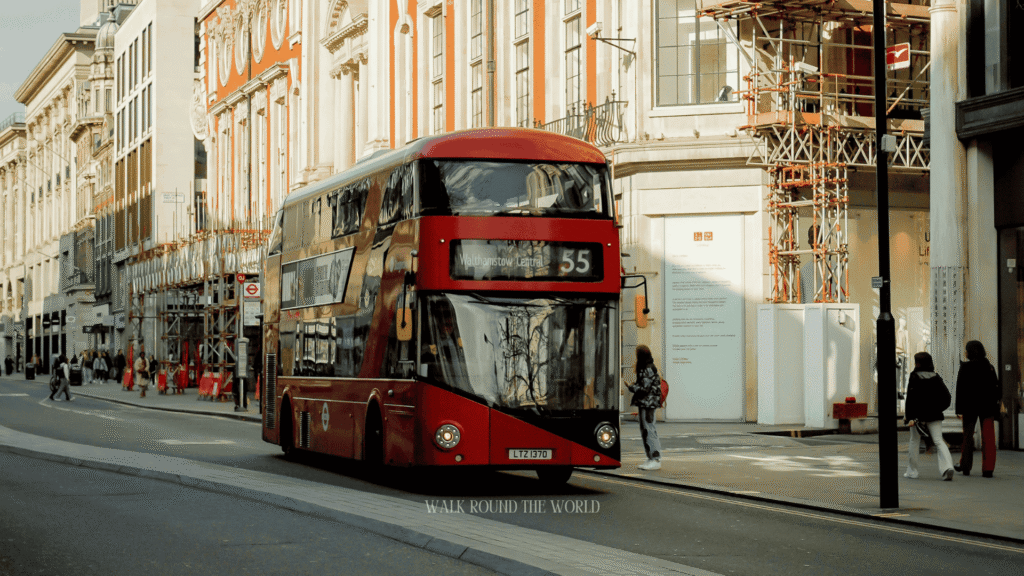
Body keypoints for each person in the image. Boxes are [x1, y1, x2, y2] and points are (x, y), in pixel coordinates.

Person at [903, 351, 955, 481]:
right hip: (934, 415)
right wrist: (936, 409)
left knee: (914, 441)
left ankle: (912, 471)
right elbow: (947, 398)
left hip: (917, 417)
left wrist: (909, 416)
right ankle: (948, 467)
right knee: (938, 440)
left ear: (918, 363)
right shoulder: (936, 377)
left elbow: (911, 399)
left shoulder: (914, 377)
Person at [954, 341, 1002, 478]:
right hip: (987, 407)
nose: (965, 352)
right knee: (988, 437)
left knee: (967, 437)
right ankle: (988, 469)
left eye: (966, 350)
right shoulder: (989, 368)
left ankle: (965, 466)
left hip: (969, 408)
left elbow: (960, 390)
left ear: (970, 352)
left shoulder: (965, 367)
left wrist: (959, 410)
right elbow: (997, 389)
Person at [627, 345, 663, 471]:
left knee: (649, 429)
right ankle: (651, 458)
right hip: (647, 403)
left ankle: (655, 458)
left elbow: (645, 389)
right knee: (646, 430)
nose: (635, 356)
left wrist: (632, 388)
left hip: (648, 404)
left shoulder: (647, 369)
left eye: (637, 354)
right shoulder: (647, 367)